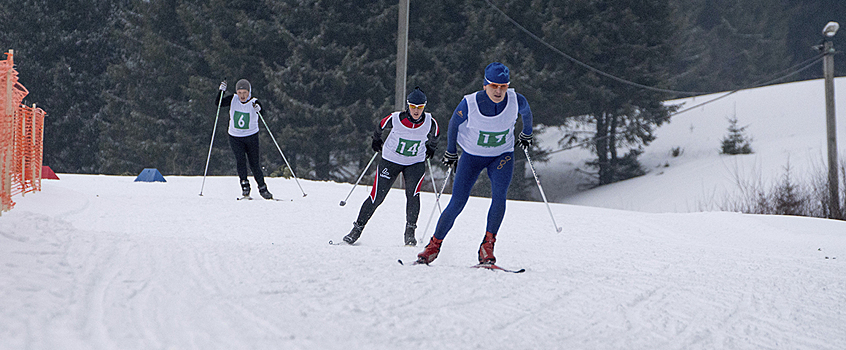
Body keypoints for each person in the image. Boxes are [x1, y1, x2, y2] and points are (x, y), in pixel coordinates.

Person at [416, 62, 533, 265]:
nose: (498, 91)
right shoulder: (470, 103)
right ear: (485, 85)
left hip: (501, 156)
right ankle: (434, 246)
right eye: (494, 85)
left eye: (503, 86)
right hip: (471, 157)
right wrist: (451, 151)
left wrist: (527, 133)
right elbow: (454, 123)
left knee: (499, 197)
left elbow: (527, 112)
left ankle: (487, 246)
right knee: (458, 202)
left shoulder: (516, 100)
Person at [343, 87, 440, 246]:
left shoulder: (430, 121)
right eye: (413, 106)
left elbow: (436, 135)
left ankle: (410, 232)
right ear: (408, 105)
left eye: (420, 107)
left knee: (413, 195)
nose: (416, 110)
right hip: (391, 160)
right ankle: (356, 229)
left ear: (424, 107)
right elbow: (380, 126)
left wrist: (432, 147)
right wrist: (376, 139)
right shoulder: (396, 118)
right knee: (377, 196)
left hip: (414, 163)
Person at [215, 79, 273, 200]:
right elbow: (219, 103)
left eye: (244, 92)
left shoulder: (253, 102)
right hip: (235, 137)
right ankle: (245, 186)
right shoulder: (233, 99)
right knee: (240, 161)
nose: (242, 95)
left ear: (249, 92)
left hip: (251, 136)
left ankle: (263, 188)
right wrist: (221, 91)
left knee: (254, 164)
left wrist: (259, 109)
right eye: (240, 92)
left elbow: (263, 112)